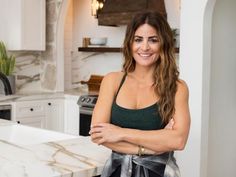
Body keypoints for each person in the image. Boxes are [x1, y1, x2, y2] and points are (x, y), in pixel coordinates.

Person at [89, 11, 190, 177]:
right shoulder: (112, 81)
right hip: (116, 172)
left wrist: (120, 133)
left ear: (163, 44)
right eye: (138, 39)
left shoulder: (177, 87)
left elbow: (178, 141)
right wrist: (153, 145)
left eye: (153, 40)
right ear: (129, 43)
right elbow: (99, 135)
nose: (144, 47)